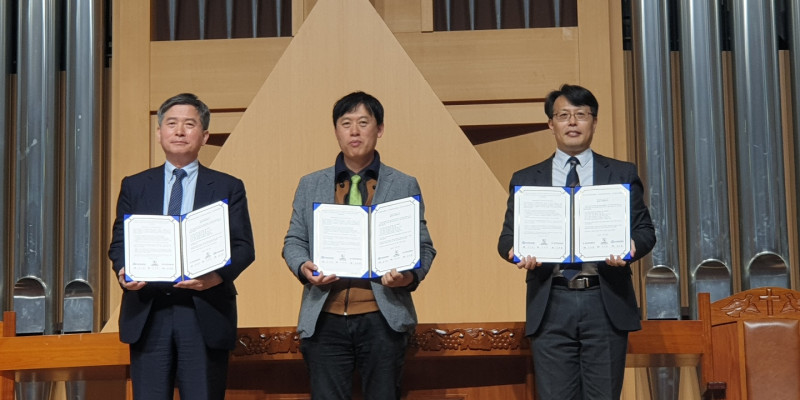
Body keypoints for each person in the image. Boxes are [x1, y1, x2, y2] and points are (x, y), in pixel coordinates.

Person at [497, 84, 656, 400]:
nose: (572, 122)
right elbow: (507, 239)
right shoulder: (526, 178)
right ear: (550, 124)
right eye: (563, 115)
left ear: (594, 122)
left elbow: (645, 231)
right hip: (551, 300)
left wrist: (630, 249)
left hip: (605, 300)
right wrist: (517, 254)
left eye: (581, 115)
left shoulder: (621, 173)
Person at [282, 91, 436, 400]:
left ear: (379, 129)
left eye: (363, 123)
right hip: (325, 317)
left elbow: (424, 247)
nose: (354, 131)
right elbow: (294, 240)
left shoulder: (403, 184)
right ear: (336, 131)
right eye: (346, 123)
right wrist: (303, 266)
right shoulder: (310, 184)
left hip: (382, 317)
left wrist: (408, 276)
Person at [108, 93, 256, 399]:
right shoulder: (135, 185)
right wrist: (123, 271)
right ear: (159, 132)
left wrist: (216, 277)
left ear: (204, 136)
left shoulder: (228, 186)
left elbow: (243, 247)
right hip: (148, 310)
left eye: (189, 124)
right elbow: (120, 242)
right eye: (171, 123)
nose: (179, 131)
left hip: (204, 309)